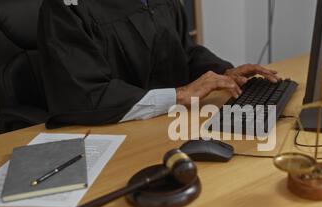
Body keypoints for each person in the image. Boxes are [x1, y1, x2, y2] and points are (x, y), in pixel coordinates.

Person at [38, 0, 280, 128]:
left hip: (168, 127)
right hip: (115, 134)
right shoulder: (66, 7)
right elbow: (83, 96)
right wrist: (180, 95)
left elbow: (183, 51)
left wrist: (222, 72)